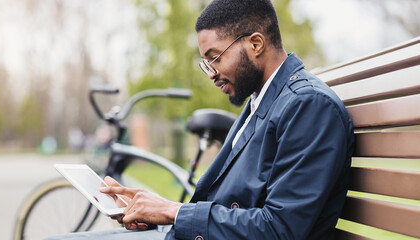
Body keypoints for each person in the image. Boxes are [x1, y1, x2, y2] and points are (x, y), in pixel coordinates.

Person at [46, 0, 354, 239]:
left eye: (215, 58)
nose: (212, 74)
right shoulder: (264, 100)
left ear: (256, 44)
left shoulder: (309, 106)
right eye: (206, 63)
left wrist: (174, 213)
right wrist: (155, 209)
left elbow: (279, 230)